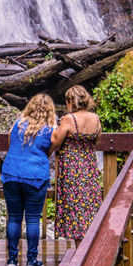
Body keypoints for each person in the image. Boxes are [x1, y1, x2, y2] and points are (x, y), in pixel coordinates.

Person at [1, 93, 64, 266]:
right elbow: (49, 152)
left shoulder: (17, 125)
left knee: (13, 217)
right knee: (33, 219)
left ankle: (12, 260)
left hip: (11, 173)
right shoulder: (51, 129)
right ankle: (31, 260)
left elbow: (10, 145)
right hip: (35, 176)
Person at [53, 85, 102, 245]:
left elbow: (56, 141)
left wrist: (55, 127)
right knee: (89, 205)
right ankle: (89, 247)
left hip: (72, 168)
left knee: (74, 208)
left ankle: (79, 249)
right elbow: (97, 141)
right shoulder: (96, 118)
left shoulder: (69, 119)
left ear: (70, 102)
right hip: (89, 166)